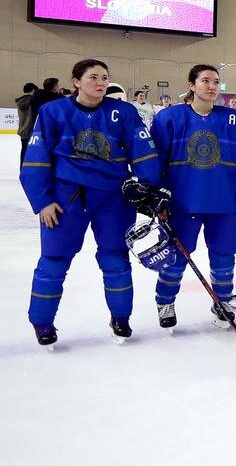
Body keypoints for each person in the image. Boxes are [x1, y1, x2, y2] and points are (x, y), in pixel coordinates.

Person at [20, 59, 162, 348]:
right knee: (54, 261)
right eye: (93, 77)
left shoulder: (123, 112)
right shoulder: (53, 111)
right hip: (65, 200)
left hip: (113, 199)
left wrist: (148, 188)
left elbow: (143, 151)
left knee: (116, 259)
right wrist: (42, 201)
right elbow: (36, 160)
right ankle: (43, 322)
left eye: (104, 77)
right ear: (75, 81)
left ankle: (121, 317)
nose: (100, 83)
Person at [150, 64, 236, 330]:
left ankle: (222, 302)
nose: (212, 87)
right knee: (175, 258)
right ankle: (165, 302)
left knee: (224, 256)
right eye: (205, 81)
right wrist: (157, 197)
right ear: (191, 85)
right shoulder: (169, 119)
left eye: (216, 82)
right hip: (182, 202)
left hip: (225, 203)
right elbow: (154, 162)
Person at [16, 82, 37, 162]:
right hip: (31, 131)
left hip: (23, 131)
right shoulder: (32, 101)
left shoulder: (20, 101)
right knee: (31, 154)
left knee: (24, 151)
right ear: (33, 90)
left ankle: (22, 170)